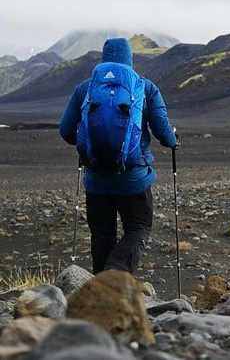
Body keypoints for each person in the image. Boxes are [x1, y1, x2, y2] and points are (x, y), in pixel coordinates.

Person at [59, 38, 177, 274]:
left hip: (96, 178)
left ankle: (100, 293)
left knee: (102, 235)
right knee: (139, 227)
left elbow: (65, 130)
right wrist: (173, 140)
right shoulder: (146, 88)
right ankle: (116, 272)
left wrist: (88, 145)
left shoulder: (86, 88)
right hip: (133, 178)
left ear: (103, 58)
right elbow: (163, 131)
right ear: (129, 59)